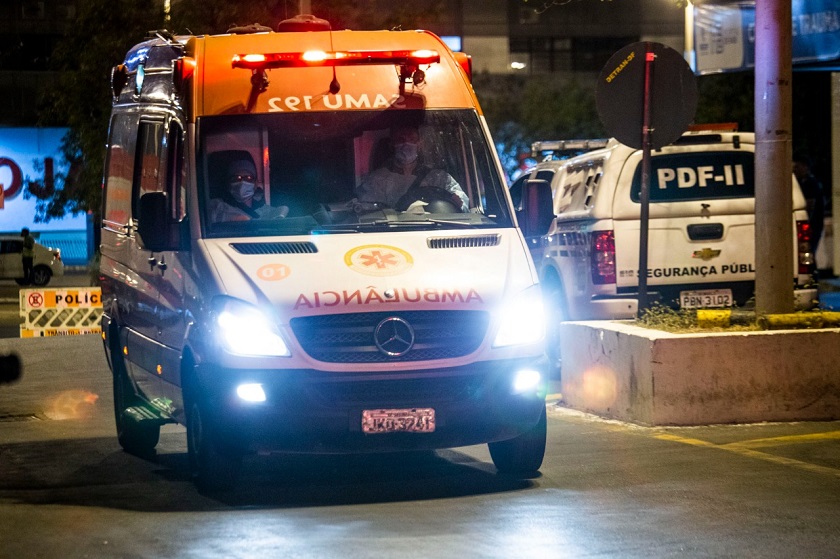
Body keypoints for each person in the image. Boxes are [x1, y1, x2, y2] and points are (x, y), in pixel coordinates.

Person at [356, 125, 469, 213]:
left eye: (412, 139)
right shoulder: (377, 180)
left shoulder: (439, 178)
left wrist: (458, 202)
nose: (406, 144)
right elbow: (368, 210)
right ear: (392, 144)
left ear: (419, 145)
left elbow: (461, 204)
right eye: (401, 140)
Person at [208, 152, 287, 222]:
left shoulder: (264, 209)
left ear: (255, 184)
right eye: (236, 178)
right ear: (228, 183)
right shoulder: (217, 206)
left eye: (248, 178)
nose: (242, 182)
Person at [793, 152, 826, 253]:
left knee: (808, 249)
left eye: (797, 167)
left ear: (805, 167)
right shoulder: (801, 181)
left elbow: (810, 205)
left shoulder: (811, 183)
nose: (795, 170)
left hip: (813, 223)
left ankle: (813, 268)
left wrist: (806, 221)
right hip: (812, 223)